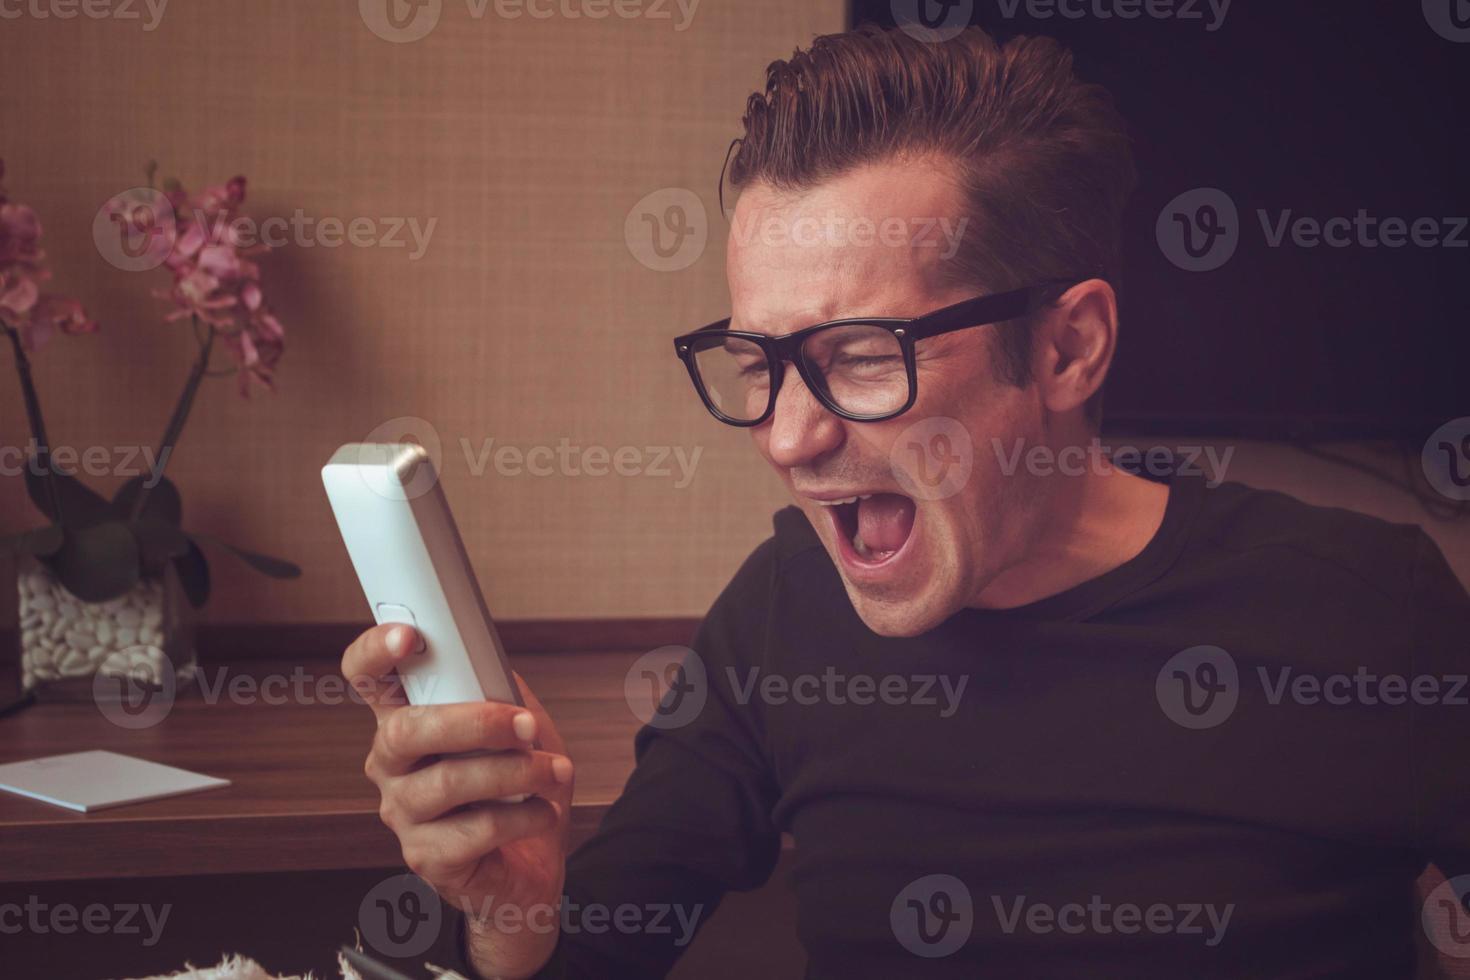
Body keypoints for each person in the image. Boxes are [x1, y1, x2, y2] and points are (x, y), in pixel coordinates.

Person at [340, 25, 1470, 979]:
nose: (788, 436)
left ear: (1069, 347)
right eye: (756, 362)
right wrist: (516, 912)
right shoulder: (784, 608)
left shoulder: (1372, 607)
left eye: (862, 353)